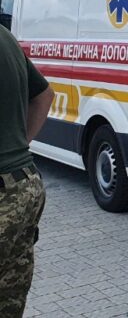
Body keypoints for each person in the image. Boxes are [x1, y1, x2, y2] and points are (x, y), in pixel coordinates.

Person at [0, 25, 54, 317]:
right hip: (25, 184)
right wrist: (19, 144)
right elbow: (45, 95)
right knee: (9, 300)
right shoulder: (5, 36)